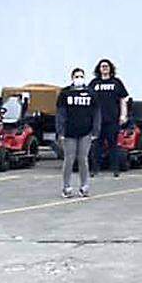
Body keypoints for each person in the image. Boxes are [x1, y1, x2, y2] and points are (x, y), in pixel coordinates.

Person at [56, 68, 100, 198]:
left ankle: (84, 186)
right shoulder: (65, 93)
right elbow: (60, 114)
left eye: (81, 76)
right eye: (76, 76)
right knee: (69, 159)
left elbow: (96, 113)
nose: (79, 78)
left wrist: (95, 130)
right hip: (69, 132)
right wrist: (60, 131)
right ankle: (66, 186)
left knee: (83, 159)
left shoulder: (91, 93)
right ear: (72, 78)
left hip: (85, 131)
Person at [88, 58, 129, 178]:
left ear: (110, 68)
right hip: (97, 121)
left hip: (112, 120)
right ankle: (95, 169)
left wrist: (123, 115)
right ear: (99, 69)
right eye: (102, 66)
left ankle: (115, 169)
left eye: (106, 66)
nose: (104, 68)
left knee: (113, 145)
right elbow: (89, 101)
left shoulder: (116, 82)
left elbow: (123, 100)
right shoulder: (94, 83)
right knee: (97, 146)